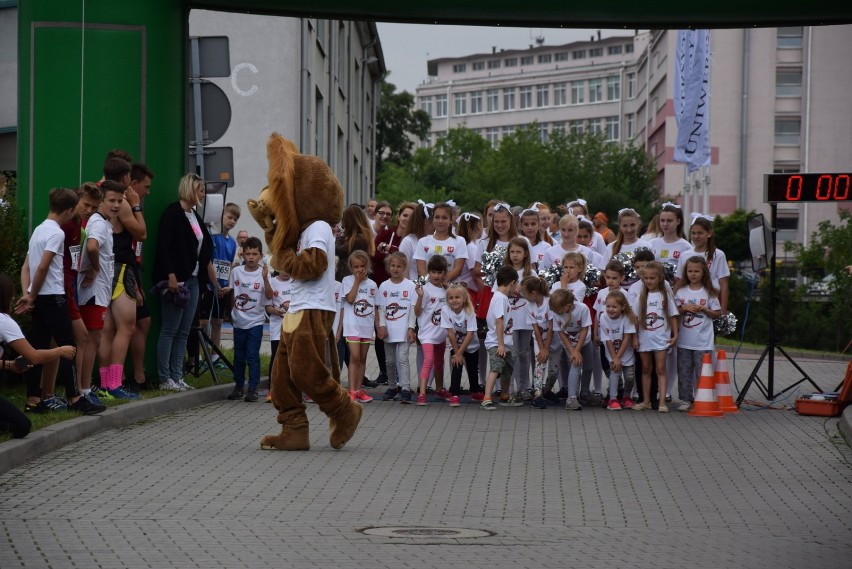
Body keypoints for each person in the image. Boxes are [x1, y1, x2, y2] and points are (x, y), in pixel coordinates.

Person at [15, 188, 102, 415]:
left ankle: (33, 399)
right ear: (70, 210)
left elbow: (27, 266)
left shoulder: (38, 229)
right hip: (53, 296)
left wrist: (28, 293)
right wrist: (31, 295)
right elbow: (43, 265)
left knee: (38, 347)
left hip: (40, 299)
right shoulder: (57, 233)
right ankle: (75, 398)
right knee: (69, 347)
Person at [153, 173, 214, 392]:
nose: (203, 194)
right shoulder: (173, 213)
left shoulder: (194, 216)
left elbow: (203, 246)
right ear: (190, 189)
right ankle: (164, 377)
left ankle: (177, 376)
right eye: (201, 190)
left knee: (184, 330)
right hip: (176, 279)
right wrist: (170, 274)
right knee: (170, 328)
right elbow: (164, 247)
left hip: (194, 279)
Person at [1, 273, 79, 436]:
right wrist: (61, 350)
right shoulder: (4, 322)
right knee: (22, 426)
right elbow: (34, 357)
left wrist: (8, 365)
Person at [86, 180, 142, 399]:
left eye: (120, 201)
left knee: (106, 330)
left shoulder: (99, 220)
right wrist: (97, 267)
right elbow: (142, 233)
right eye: (113, 201)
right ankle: (113, 384)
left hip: (110, 274)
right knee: (126, 327)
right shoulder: (100, 222)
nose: (118, 205)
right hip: (115, 272)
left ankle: (106, 384)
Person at [193, 202, 240, 370]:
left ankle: (214, 357)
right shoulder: (212, 236)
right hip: (208, 284)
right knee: (203, 322)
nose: (232, 221)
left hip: (222, 287)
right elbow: (207, 262)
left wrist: (226, 285)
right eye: (229, 217)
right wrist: (213, 283)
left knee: (218, 322)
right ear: (221, 215)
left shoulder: (233, 242)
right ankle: (197, 357)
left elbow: (227, 265)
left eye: (235, 219)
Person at [225, 237, 272, 402]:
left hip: (255, 322)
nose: (251, 257)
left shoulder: (264, 273)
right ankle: (238, 387)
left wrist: (266, 279)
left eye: (254, 254)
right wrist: (231, 312)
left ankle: (253, 389)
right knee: (238, 356)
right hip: (239, 321)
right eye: (248, 254)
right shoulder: (236, 271)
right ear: (243, 254)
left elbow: (269, 296)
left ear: (260, 255)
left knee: (252, 355)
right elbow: (232, 292)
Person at [674, 256, 722, 412]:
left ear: (703, 273)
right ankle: (686, 399)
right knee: (684, 371)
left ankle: (702, 397)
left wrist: (705, 310)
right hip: (684, 341)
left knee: (702, 372)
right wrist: (684, 308)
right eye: (690, 271)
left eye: (696, 271)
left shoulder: (709, 293)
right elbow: (674, 313)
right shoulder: (680, 291)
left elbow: (717, 313)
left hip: (703, 341)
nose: (693, 274)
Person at [630, 261, 679, 412]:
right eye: (647, 278)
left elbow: (672, 316)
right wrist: (635, 338)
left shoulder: (665, 297)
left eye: (653, 278)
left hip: (661, 339)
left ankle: (662, 401)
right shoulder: (640, 298)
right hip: (644, 339)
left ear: (660, 278)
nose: (649, 281)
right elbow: (635, 320)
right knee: (645, 369)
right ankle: (645, 400)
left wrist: (675, 335)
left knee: (660, 369)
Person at [127, 162, 155, 391]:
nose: (148, 191)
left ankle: (138, 374)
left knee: (141, 322)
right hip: (122, 271)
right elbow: (142, 233)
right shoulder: (126, 206)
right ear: (133, 184)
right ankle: (112, 381)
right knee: (114, 329)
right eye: (145, 186)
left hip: (133, 269)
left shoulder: (131, 204)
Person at [376, 252, 417, 403]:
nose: (395, 269)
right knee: (390, 361)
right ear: (388, 267)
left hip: (404, 330)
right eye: (393, 265)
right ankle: (392, 386)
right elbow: (381, 308)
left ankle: (405, 388)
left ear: (404, 267)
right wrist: (381, 326)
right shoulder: (384, 286)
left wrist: (411, 328)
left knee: (402, 359)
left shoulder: (410, 286)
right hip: (389, 331)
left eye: (399, 266)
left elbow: (413, 309)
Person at [479, 265, 518, 410]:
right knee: (496, 367)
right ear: (513, 283)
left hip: (506, 342)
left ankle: (505, 396)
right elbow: (499, 321)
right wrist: (500, 344)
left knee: (507, 369)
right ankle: (487, 397)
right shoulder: (500, 298)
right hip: (496, 342)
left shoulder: (501, 297)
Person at [340, 250, 377, 403]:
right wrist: (357, 281)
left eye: (362, 266)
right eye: (356, 267)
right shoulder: (347, 281)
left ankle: (359, 389)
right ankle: (352, 390)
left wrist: (379, 326)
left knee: (362, 358)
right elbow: (349, 299)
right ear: (351, 267)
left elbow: (376, 307)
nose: (359, 270)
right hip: (352, 325)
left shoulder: (373, 284)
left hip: (366, 326)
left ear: (367, 265)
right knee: (354, 357)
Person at [676, 213, 730, 314]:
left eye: (700, 233)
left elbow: (724, 284)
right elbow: (680, 280)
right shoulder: (685, 255)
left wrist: (722, 311)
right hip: (688, 301)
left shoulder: (718, 254)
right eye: (693, 233)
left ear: (709, 233)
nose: (696, 236)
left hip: (712, 302)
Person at [414, 254, 450, 406]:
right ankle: (422, 393)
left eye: (440, 272)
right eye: (433, 272)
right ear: (429, 272)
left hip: (441, 334)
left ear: (444, 273)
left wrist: (450, 291)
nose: (436, 275)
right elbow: (417, 312)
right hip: (427, 334)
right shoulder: (424, 290)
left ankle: (440, 389)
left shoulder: (447, 289)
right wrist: (420, 297)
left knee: (439, 362)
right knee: (428, 360)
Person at [550, 287, 593, 411]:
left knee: (588, 367)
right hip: (569, 344)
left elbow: (585, 329)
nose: (557, 313)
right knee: (575, 364)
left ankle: (584, 392)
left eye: (559, 310)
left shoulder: (582, 308)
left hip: (585, 342)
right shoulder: (556, 312)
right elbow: (561, 333)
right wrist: (573, 351)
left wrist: (578, 350)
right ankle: (572, 398)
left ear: (568, 306)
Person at [505, 237, 534, 403]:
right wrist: (509, 290)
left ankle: (525, 387)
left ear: (525, 254)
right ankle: (512, 388)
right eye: (512, 252)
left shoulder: (531, 273)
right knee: (513, 354)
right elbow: (498, 293)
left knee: (524, 354)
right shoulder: (505, 273)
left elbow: (537, 296)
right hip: (510, 320)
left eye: (519, 252)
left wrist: (522, 291)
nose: (515, 255)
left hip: (527, 320)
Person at [598, 290, 638, 410]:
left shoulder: (627, 317)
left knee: (630, 376)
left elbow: (627, 338)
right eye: (608, 306)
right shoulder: (604, 317)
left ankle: (626, 397)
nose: (610, 309)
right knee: (614, 374)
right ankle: (613, 399)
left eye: (614, 307)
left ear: (623, 307)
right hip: (612, 353)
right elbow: (607, 340)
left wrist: (619, 357)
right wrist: (614, 358)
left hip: (626, 353)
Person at [441, 282, 479, 402]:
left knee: (473, 369)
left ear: (464, 299)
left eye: (457, 297)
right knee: (456, 365)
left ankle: (475, 391)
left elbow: (470, 333)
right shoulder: (445, 310)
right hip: (455, 344)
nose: (454, 300)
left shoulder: (469, 311)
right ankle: (454, 393)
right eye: (451, 298)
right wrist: (457, 353)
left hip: (471, 345)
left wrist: (460, 353)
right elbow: (450, 333)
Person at [414, 201, 468, 283]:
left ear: (451, 220)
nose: (440, 221)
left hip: (451, 290)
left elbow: (458, 269)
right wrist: (433, 285)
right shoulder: (423, 241)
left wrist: (442, 282)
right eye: (437, 217)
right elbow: (421, 269)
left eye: (444, 218)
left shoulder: (459, 241)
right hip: (429, 289)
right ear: (433, 219)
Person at [521, 276, 553, 409]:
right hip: (539, 339)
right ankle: (538, 394)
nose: (523, 296)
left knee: (554, 370)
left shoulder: (549, 303)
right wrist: (542, 349)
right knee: (540, 362)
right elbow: (536, 329)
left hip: (553, 340)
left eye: (524, 293)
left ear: (533, 293)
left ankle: (547, 390)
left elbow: (552, 327)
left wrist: (547, 348)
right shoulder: (529, 306)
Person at [265, 268, 292, 403]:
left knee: (292, 360)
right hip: (277, 328)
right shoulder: (272, 282)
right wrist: (275, 311)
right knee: (276, 359)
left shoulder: (297, 282)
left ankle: (290, 391)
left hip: (294, 328)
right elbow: (268, 306)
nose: (286, 271)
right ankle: (272, 390)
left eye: (288, 267)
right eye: (283, 267)